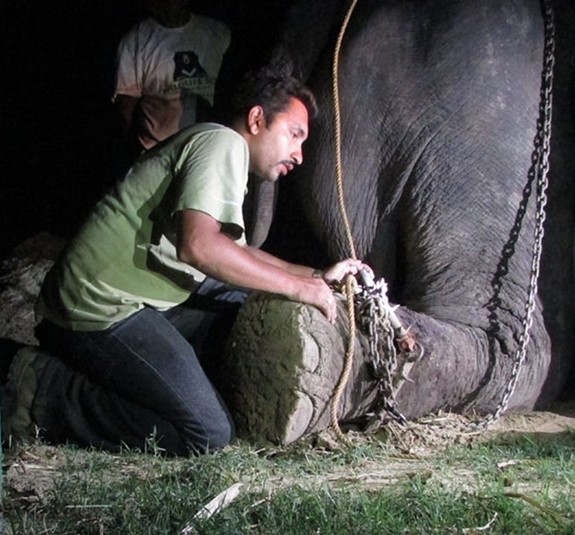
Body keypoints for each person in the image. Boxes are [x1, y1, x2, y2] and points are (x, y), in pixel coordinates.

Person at [2, 59, 367, 456]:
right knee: (207, 432)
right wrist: (299, 287)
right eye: (295, 135)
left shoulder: (224, 157)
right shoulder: (220, 143)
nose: (299, 155)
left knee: (240, 301)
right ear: (258, 119)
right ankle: (42, 387)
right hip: (95, 310)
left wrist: (316, 274)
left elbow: (238, 253)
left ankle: (166, 382)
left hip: (133, 300)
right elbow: (200, 246)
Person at [113, 0, 231, 155]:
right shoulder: (136, 39)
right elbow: (126, 103)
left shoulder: (217, 33)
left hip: (205, 148)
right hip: (157, 151)